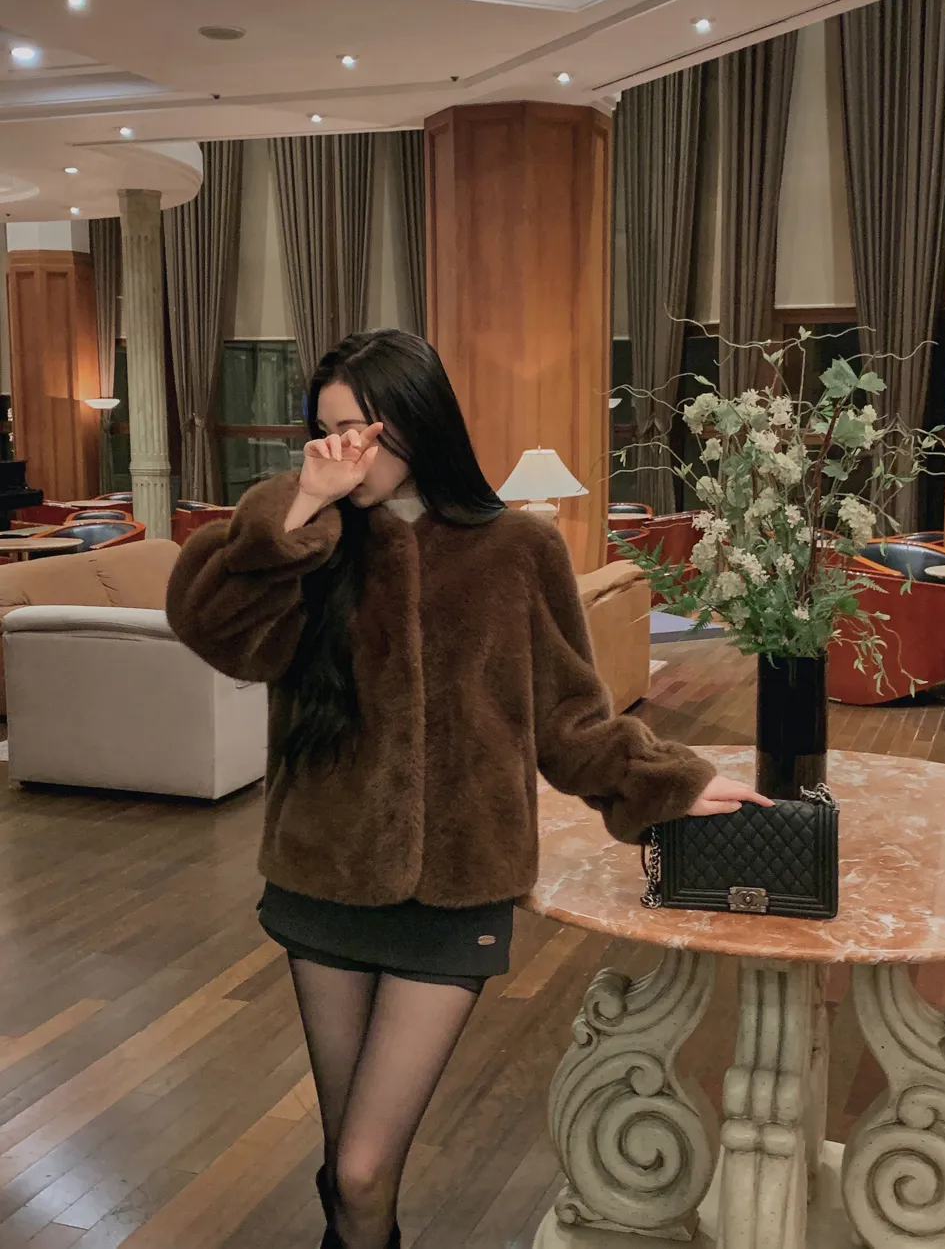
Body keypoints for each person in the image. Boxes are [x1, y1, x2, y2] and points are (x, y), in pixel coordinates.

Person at [166, 329, 769, 1249]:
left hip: (458, 885)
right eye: (324, 430)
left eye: (359, 427)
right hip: (324, 876)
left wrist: (666, 782)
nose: (340, 449)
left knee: (363, 1165)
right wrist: (300, 508)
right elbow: (210, 626)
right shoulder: (311, 548)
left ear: (416, 422)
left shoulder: (517, 548)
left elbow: (568, 716)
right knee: (348, 1163)